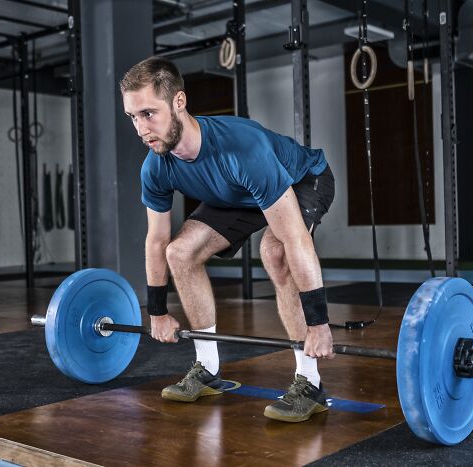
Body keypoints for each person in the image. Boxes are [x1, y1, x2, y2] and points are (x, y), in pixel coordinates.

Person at [120, 56, 335, 423]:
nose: (141, 128)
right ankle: (207, 367)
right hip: (237, 194)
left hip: (301, 179)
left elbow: (296, 238)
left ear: (179, 102)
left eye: (148, 113)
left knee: (276, 251)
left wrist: (319, 324)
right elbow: (157, 241)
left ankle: (310, 383)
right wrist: (156, 311)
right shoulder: (155, 166)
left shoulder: (242, 148)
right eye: (133, 117)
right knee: (180, 251)